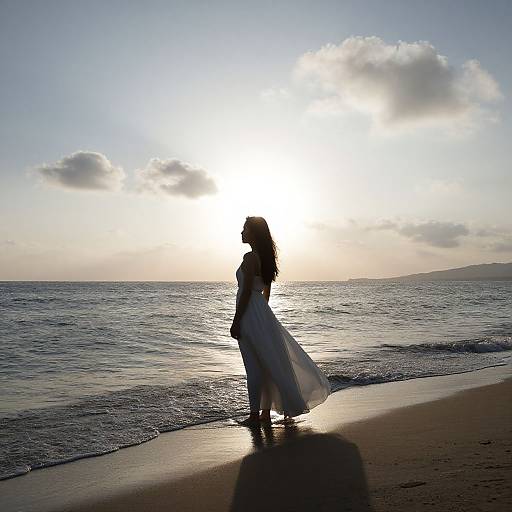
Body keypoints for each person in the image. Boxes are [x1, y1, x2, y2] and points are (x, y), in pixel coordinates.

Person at [230, 216, 331, 427]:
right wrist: (264, 316)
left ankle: (254, 415)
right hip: (262, 313)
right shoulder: (265, 259)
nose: (241, 232)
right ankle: (264, 413)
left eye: (244, 229)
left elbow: (247, 291)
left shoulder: (250, 258)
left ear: (253, 233)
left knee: (253, 367)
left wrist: (237, 320)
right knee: (267, 364)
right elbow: (265, 294)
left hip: (250, 314)